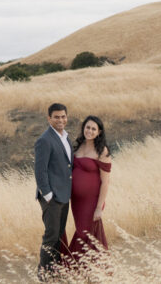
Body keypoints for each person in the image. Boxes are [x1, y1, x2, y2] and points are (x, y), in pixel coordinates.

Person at [65, 115, 112, 265]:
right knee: (81, 231)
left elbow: (105, 182)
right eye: (87, 127)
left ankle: (85, 267)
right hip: (77, 201)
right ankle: (82, 267)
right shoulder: (78, 146)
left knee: (85, 232)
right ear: (83, 128)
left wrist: (99, 208)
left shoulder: (102, 151)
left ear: (99, 132)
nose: (89, 131)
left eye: (93, 129)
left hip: (92, 201)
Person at [34, 102, 72, 279]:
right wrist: (48, 195)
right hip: (52, 198)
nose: (60, 120)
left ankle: (54, 271)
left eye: (63, 116)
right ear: (49, 118)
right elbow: (40, 171)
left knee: (58, 236)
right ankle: (43, 275)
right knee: (51, 236)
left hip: (64, 195)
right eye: (56, 117)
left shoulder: (65, 137)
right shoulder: (44, 140)